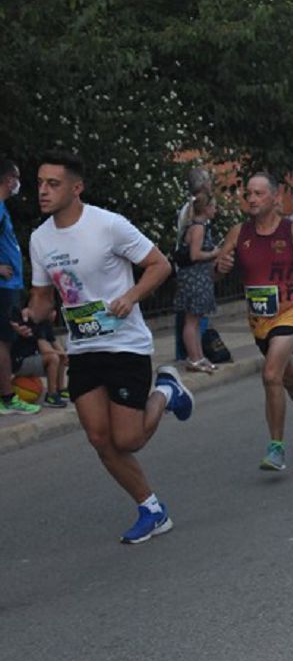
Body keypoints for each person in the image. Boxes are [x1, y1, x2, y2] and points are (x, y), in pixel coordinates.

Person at [25, 151, 194, 543]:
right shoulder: (40, 238)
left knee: (128, 439)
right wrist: (31, 316)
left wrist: (131, 296)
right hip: (83, 347)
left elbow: (160, 265)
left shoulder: (108, 225)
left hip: (124, 344)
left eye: (53, 184)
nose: (43, 191)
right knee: (100, 439)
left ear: (76, 187)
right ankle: (151, 509)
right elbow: (43, 299)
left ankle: (167, 391)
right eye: (39, 183)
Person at [215, 172, 293, 469]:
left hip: (290, 311)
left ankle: (276, 448)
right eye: (249, 194)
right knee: (288, 379)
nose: (252, 200)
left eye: (258, 194)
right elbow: (216, 274)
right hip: (259, 319)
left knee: (271, 375)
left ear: (275, 197)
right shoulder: (238, 233)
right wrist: (220, 266)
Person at [0, 157, 38, 414]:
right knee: (2, 343)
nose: (18, 183)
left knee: (6, 341)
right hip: (4, 286)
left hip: (10, 285)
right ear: (8, 179)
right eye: (17, 177)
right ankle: (7, 397)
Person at [173, 190, 221, 374]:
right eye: (214, 207)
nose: (215, 210)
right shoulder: (199, 228)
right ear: (207, 208)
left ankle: (199, 356)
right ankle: (194, 358)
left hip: (195, 277)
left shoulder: (194, 226)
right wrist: (214, 253)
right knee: (192, 322)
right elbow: (195, 254)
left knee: (195, 320)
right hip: (195, 278)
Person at [10, 309, 67, 408]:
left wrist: (66, 355)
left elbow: (56, 345)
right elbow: (45, 349)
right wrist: (64, 354)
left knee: (60, 357)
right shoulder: (37, 323)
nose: (54, 313)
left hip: (31, 359)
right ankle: (51, 396)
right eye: (51, 310)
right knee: (53, 358)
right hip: (20, 362)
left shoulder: (47, 324)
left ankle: (60, 389)